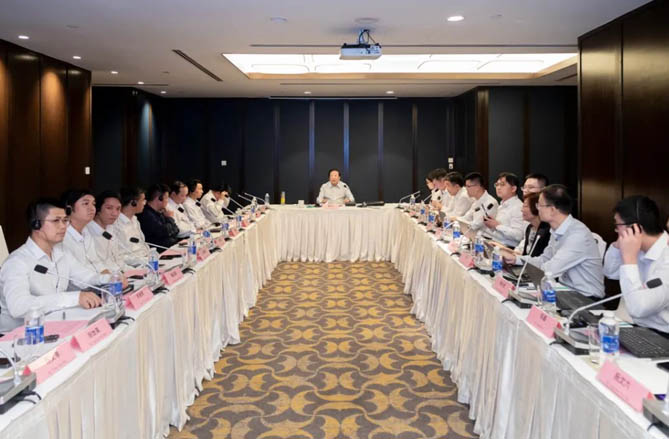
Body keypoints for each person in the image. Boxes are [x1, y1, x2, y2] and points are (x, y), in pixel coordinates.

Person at [0, 198, 106, 331]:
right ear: (36, 224)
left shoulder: (62, 252)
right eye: (56, 221)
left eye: (65, 220)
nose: (63, 226)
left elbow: (85, 277)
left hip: (55, 325)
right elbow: (18, 306)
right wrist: (73, 298)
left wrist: (111, 279)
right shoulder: (16, 262)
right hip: (20, 335)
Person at [503, 184, 604, 298]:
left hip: (585, 298)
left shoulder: (578, 235)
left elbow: (550, 269)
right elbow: (544, 260)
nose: (537, 208)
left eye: (539, 205)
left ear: (552, 209)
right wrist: (516, 259)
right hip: (565, 291)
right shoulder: (557, 229)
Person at [603, 196, 669, 332]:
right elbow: (610, 273)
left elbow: (639, 309)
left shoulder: (666, 258)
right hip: (637, 327)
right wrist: (617, 246)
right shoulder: (637, 246)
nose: (616, 230)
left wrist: (629, 259)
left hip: (661, 336)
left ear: (635, 228)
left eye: (617, 225)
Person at [61, 189, 113, 276]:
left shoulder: (86, 231)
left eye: (93, 204)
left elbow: (97, 263)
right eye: (86, 203)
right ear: (69, 209)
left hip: (97, 280)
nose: (92, 208)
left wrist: (110, 277)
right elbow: (76, 274)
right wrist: (105, 279)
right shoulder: (61, 235)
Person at [86, 191, 125, 271]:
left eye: (118, 209)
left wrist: (136, 272)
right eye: (109, 208)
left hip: (119, 274)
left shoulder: (110, 228)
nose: (115, 213)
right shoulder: (87, 232)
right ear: (97, 208)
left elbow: (118, 261)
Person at [483, 172, 525, 247]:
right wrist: (491, 225)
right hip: (495, 244)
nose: (498, 188)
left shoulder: (518, 207)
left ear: (513, 188)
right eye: (497, 184)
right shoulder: (501, 206)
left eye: (502, 184)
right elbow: (499, 231)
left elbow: (519, 235)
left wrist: (497, 225)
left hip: (508, 248)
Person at [137, 184, 180, 251]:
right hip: (159, 251)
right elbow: (164, 231)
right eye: (166, 198)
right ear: (159, 198)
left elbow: (176, 230)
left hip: (171, 247)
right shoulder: (146, 215)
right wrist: (170, 218)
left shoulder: (161, 212)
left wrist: (169, 224)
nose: (168, 201)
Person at [112, 187, 149, 259]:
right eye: (143, 200)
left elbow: (142, 244)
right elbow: (120, 255)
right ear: (133, 203)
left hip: (145, 259)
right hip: (133, 263)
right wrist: (142, 259)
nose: (145, 203)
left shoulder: (135, 220)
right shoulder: (116, 224)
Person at [514, 192, 551, 256]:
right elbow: (525, 254)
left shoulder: (547, 231)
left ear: (537, 207)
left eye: (525, 206)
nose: (522, 210)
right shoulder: (529, 228)